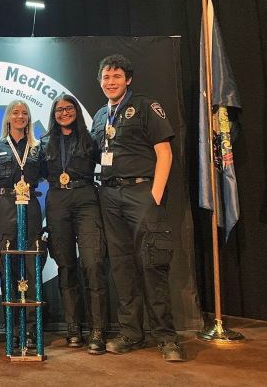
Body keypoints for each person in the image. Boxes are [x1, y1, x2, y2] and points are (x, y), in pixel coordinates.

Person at [91, 54, 185, 362]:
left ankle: (166, 338)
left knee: (151, 263)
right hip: (109, 196)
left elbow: (164, 152)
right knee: (121, 266)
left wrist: (155, 194)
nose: (111, 82)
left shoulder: (145, 106)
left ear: (128, 79)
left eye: (116, 76)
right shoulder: (100, 116)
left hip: (141, 193)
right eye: (106, 77)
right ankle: (130, 332)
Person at [41, 94, 107, 355]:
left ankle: (98, 330)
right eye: (59, 110)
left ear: (76, 111)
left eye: (69, 108)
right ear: (53, 114)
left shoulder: (91, 139)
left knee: (93, 264)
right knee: (66, 266)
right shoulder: (45, 142)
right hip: (57, 200)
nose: (64, 113)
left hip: (86, 199)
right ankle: (73, 328)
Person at [0, 100, 47, 349]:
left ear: (29, 118)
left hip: (31, 208)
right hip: (4, 207)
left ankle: (33, 331)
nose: (20, 116)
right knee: (7, 267)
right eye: (16, 112)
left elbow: (44, 174)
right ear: (8, 118)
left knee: (33, 269)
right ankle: (12, 330)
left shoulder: (37, 148)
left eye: (24, 113)